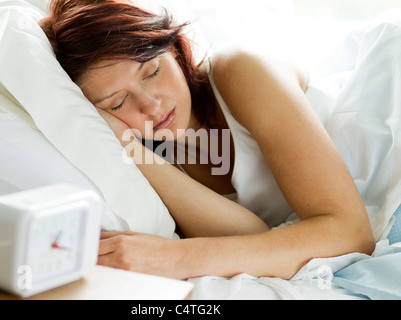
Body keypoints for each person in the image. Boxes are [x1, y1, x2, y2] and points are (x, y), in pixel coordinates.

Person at [39, 0, 379, 280]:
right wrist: (122, 143)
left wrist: (175, 258)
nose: (152, 106)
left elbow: (350, 233)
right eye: (117, 102)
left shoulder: (241, 70)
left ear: (174, 49)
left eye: (152, 71)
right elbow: (254, 241)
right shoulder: (150, 155)